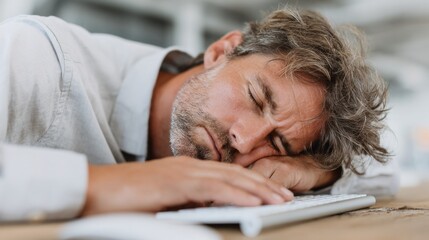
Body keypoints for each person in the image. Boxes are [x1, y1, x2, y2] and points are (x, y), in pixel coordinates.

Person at [0, 8, 398, 222]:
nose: (245, 140)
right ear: (222, 51)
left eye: (275, 143)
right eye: (258, 99)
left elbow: (383, 173)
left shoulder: (273, 155)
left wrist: (312, 171)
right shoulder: (34, 58)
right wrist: (110, 185)